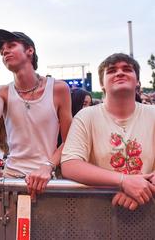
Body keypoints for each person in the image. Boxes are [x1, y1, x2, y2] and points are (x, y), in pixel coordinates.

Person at [0, 28, 72, 197]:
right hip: (11, 179)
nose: (5, 51)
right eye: (2, 51)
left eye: (11, 45)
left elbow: (69, 139)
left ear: (30, 51)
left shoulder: (58, 88)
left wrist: (48, 166)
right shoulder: (1, 92)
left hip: (46, 179)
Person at [61, 53, 155, 210]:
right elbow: (70, 164)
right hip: (99, 212)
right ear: (102, 84)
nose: (119, 73)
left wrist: (146, 185)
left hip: (149, 210)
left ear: (137, 81)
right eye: (111, 71)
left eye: (127, 69)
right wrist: (124, 181)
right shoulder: (86, 116)